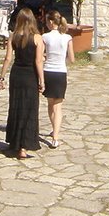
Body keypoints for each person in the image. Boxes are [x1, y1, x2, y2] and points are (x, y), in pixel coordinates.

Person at [0, 7, 44, 159]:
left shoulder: (13, 36)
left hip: (17, 74)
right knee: (29, 109)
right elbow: (38, 61)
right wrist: (42, 80)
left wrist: (2, 77)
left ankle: (15, 142)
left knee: (16, 107)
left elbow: (8, 58)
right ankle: (24, 145)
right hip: (30, 75)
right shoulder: (37, 38)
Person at [41, 10, 74, 149]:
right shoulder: (67, 38)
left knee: (50, 103)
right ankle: (56, 135)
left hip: (48, 71)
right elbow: (72, 59)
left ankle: (54, 128)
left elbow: (41, 55)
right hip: (60, 71)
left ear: (50, 22)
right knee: (58, 105)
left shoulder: (45, 37)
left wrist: (47, 57)